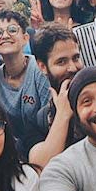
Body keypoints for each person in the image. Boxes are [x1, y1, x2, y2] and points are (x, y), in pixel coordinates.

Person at [0, 11, 53, 159]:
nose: (5, 36)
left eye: (12, 30)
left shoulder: (39, 69)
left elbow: (48, 116)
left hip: (46, 146)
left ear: (25, 38)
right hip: (10, 155)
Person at [25, 26, 85, 166]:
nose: (73, 68)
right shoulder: (40, 120)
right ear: (42, 67)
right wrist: (63, 116)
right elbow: (41, 164)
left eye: (76, 58)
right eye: (61, 62)